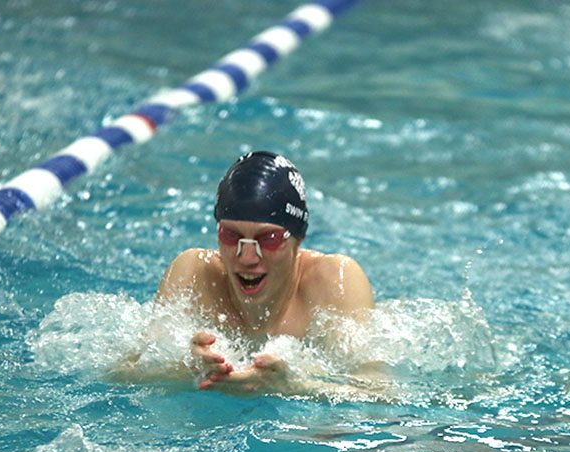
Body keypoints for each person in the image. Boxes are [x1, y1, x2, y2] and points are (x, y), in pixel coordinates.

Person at [112, 151, 374, 392]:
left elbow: (378, 393)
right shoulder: (193, 273)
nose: (247, 258)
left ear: (298, 240)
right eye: (231, 235)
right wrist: (186, 368)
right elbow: (121, 375)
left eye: (268, 238)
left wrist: (294, 386)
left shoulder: (333, 281)